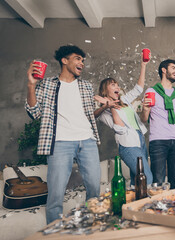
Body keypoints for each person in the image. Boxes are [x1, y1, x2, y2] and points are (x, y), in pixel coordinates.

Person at [25, 45, 101, 224]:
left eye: (83, 60)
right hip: (60, 143)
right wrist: (31, 85)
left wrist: (104, 106)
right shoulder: (48, 84)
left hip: (87, 141)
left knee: (94, 188)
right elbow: (34, 112)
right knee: (56, 194)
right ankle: (55, 232)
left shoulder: (86, 86)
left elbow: (89, 115)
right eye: (77, 58)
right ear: (64, 61)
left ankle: (93, 226)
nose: (81, 62)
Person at [94, 53, 153, 186]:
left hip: (140, 140)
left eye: (117, 85)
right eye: (113, 85)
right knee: (146, 178)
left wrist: (143, 65)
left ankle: (133, 206)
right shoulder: (105, 112)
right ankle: (146, 204)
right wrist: (109, 105)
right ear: (105, 90)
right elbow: (119, 129)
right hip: (128, 145)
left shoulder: (124, 100)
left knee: (136, 181)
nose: (118, 87)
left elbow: (138, 88)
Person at [140, 59, 175, 189]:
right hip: (158, 141)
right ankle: (159, 208)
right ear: (164, 70)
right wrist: (145, 110)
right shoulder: (151, 92)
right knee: (158, 182)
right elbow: (144, 119)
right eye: (173, 68)